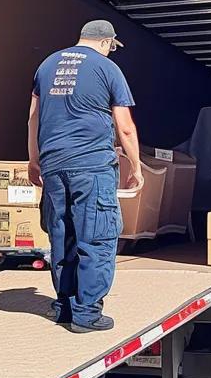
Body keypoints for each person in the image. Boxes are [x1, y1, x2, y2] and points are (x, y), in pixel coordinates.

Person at [28, 19, 144, 332]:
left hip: (54, 164)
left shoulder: (47, 65)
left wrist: (34, 161)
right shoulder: (108, 69)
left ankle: (64, 306)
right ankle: (87, 313)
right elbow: (125, 126)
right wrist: (136, 167)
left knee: (62, 236)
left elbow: (34, 119)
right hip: (91, 166)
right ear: (107, 42)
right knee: (96, 238)